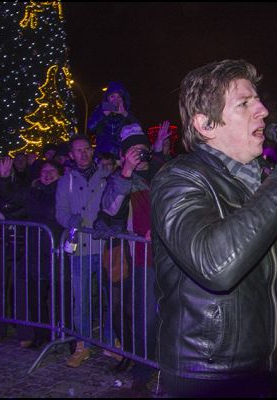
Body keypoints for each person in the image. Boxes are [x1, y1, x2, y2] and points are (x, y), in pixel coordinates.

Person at [150, 59, 277, 397]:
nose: (263, 110)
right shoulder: (179, 179)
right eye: (244, 103)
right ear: (206, 124)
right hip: (207, 377)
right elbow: (215, 265)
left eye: (257, 100)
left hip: (263, 368)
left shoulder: (257, 181)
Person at [98, 123, 164, 386]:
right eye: (132, 150)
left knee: (171, 313)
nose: (139, 154)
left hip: (171, 256)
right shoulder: (120, 178)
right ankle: (143, 369)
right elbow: (110, 209)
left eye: (142, 148)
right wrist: (126, 171)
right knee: (144, 315)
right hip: (140, 257)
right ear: (124, 154)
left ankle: (168, 364)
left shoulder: (163, 171)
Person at [55, 134, 112, 367]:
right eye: (78, 150)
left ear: (92, 150)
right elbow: (60, 211)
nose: (83, 154)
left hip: (104, 247)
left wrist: (107, 223)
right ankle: (83, 345)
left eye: (87, 149)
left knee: (111, 298)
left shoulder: (106, 174)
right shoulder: (65, 181)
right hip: (81, 248)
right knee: (82, 301)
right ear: (71, 154)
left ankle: (111, 342)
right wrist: (70, 220)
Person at [0, 158, 66, 348]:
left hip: (57, 250)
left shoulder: (64, 191)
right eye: (44, 171)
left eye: (52, 171)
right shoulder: (33, 192)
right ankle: (41, 334)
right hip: (35, 251)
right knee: (36, 296)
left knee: (60, 297)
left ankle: (62, 335)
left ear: (60, 174)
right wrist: (5, 178)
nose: (48, 174)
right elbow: (12, 196)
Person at [87, 81, 139, 159]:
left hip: (120, 157)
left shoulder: (127, 113)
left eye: (119, 97)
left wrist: (124, 113)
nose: (116, 100)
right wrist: (103, 114)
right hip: (102, 157)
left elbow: (138, 129)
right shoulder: (101, 110)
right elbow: (90, 128)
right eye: (112, 96)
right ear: (107, 98)